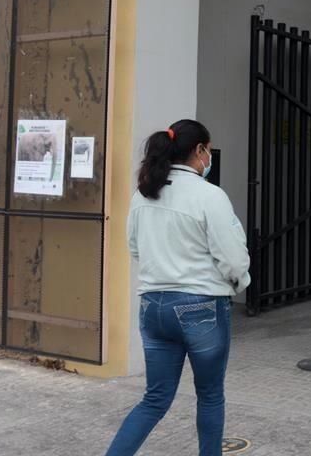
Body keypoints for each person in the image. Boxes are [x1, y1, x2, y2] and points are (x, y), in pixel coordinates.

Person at [106, 119, 251, 456]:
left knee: (154, 399)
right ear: (199, 151)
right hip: (200, 306)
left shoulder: (143, 195)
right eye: (208, 150)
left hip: (153, 307)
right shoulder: (209, 195)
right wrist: (237, 283)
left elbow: (134, 248)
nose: (209, 156)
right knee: (210, 395)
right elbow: (233, 257)